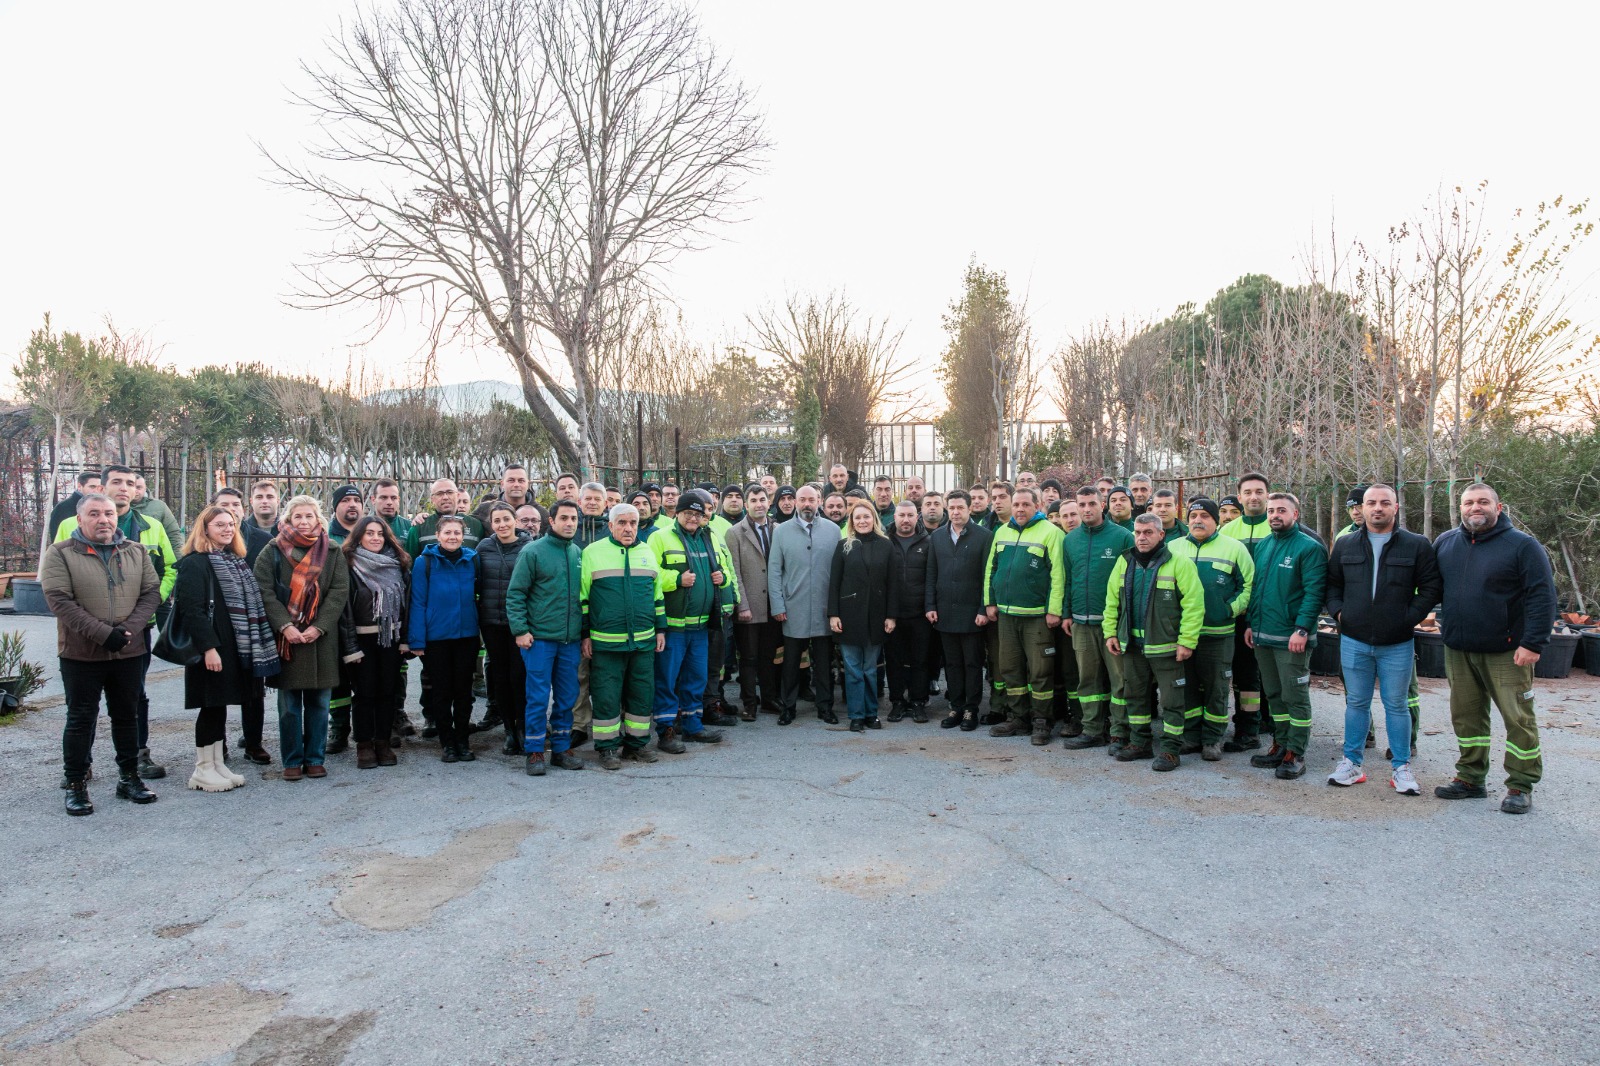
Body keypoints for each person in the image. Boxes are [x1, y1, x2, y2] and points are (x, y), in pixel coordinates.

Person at [1432, 483, 1556, 814]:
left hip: (1508, 651)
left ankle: (1520, 784)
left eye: (1483, 502)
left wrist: (1533, 642)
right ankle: (1470, 778)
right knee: (1466, 718)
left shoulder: (1522, 546)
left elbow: (1542, 596)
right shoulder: (1445, 543)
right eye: (1469, 502)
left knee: (1518, 718)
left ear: (1498, 508)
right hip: (1458, 648)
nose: (1476, 507)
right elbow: (1430, 588)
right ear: (1460, 508)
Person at [55, 464, 177, 780]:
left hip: (133, 636)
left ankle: (135, 764)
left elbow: (165, 574)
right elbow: (59, 592)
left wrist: (135, 622)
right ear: (101, 487)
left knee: (131, 704)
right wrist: (100, 631)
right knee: (82, 712)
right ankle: (79, 774)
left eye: (130, 483)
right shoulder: (66, 535)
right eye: (116, 482)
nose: (124, 488)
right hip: (83, 642)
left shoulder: (147, 530)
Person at [43, 492, 162, 815]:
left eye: (108, 513)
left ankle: (129, 778)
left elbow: (152, 593)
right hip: (81, 654)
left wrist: (128, 630)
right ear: (80, 519)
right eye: (94, 514)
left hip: (128, 651)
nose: (103, 520)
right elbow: (59, 601)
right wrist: (102, 634)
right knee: (81, 719)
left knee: (127, 716)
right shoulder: (60, 553)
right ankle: (76, 785)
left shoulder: (135, 551)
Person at [1324, 484, 1441, 794]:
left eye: (1384, 503)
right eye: (1371, 503)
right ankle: (1351, 764)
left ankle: (1401, 768)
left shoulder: (1416, 545)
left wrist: (1407, 618)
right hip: (1354, 640)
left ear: (1396, 507)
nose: (1377, 508)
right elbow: (1332, 587)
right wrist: (1339, 615)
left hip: (1397, 643)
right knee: (1357, 703)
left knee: (1397, 706)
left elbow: (1431, 588)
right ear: (1362, 508)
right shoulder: (1345, 545)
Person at [175, 504, 281, 792]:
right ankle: (202, 768)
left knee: (219, 706)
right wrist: (209, 648)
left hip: (233, 647)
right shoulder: (194, 563)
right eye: (219, 524)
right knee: (209, 707)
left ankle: (217, 765)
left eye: (231, 524)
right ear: (205, 528)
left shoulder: (235, 561)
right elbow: (192, 611)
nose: (227, 529)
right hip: (211, 648)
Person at [255, 495, 350, 781]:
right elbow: (264, 590)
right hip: (287, 640)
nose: (304, 521)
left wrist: (318, 626)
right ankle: (293, 760)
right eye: (298, 517)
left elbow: (338, 591)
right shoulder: (272, 551)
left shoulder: (332, 551)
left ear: (318, 520)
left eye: (309, 516)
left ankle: (315, 758)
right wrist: (285, 625)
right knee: (289, 707)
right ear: (288, 520)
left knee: (320, 704)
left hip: (320, 639)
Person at [1103, 513, 1204, 770]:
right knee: (1136, 696)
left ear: (1161, 535)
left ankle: (1171, 750)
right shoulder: (1124, 562)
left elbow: (1194, 605)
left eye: (1148, 532)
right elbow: (1112, 601)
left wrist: (1187, 641)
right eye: (1138, 532)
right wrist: (1111, 633)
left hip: (1167, 647)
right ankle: (1140, 743)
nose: (1141, 537)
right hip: (1133, 646)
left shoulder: (1178, 563)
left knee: (1172, 701)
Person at [1244, 492, 1326, 780]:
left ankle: (1296, 751)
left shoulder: (1309, 548)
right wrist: (1252, 623)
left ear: (1295, 514)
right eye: (1270, 511)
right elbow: (1257, 589)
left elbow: (1314, 593)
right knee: (1275, 695)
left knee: (1295, 696)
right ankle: (1280, 744)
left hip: (1293, 638)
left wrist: (1302, 629)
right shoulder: (1264, 545)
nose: (1274, 515)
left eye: (1281, 510)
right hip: (1264, 636)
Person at [581, 503, 667, 770]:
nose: (628, 528)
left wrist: (661, 629)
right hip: (606, 642)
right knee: (606, 695)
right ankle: (607, 749)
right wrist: (585, 635)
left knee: (641, 694)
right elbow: (583, 598)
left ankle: (636, 746)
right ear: (610, 525)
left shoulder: (647, 552)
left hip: (643, 640)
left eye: (633, 523)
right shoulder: (592, 553)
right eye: (622, 523)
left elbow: (657, 594)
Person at [1167, 498, 1253, 761]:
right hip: (1182, 635)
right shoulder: (1172, 547)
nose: (1197, 520)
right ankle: (1192, 736)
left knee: (1216, 687)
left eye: (1205, 515)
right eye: (1193, 515)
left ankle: (1213, 738)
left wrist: (1230, 609)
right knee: (1187, 686)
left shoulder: (1234, 548)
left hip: (1218, 634)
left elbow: (1248, 585)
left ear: (1215, 520)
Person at [650, 490, 735, 751]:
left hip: (701, 626)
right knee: (667, 679)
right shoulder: (660, 537)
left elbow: (726, 570)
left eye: (698, 514)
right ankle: (665, 731)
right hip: (674, 626)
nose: (693, 518)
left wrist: (724, 578)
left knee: (696, 678)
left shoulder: (710, 537)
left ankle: (692, 726)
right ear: (677, 513)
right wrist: (676, 579)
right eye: (688, 513)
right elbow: (650, 574)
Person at [508, 499, 586, 775]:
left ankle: (562, 748)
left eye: (573, 519)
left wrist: (584, 634)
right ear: (550, 521)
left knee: (567, 697)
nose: (569, 523)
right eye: (563, 518)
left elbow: (584, 599)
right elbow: (516, 593)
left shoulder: (577, 553)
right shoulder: (533, 552)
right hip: (539, 640)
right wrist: (520, 630)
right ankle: (535, 751)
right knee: (538, 697)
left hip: (570, 640)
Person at [983, 486, 1066, 744]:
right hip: (1007, 615)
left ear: (1037, 506)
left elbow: (1058, 575)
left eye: (1025, 505)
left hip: (1037, 617)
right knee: (1010, 668)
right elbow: (991, 569)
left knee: (1040, 671)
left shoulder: (1052, 533)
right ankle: (1018, 717)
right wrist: (990, 602)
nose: (1019, 509)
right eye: (1016, 505)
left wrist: (1054, 610)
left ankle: (1041, 721)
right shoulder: (1002, 531)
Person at [1063, 486, 1136, 751]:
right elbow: (1068, 579)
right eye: (1081, 505)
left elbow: (1133, 581)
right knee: (1088, 680)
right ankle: (1092, 729)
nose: (1086, 510)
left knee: (1120, 681)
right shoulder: (1070, 540)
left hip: (1114, 624)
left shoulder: (1123, 537)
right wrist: (1066, 614)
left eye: (1091, 504)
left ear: (1102, 504)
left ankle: (1119, 731)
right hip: (1081, 623)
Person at [408, 515, 480, 763]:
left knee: (463, 691)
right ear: (438, 535)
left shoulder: (472, 560)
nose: (452, 537)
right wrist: (416, 640)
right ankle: (447, 742)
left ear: (463, 536)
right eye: (447, 533)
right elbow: (417, 601)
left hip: (466, 636)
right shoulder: (424, 562)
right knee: (441, 692)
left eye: (457, 533)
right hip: (436, 638)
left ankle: (462, 740)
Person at [769, 484, 842, 726]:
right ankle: (788, 707)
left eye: (811, 499)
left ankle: (825, 707)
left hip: (824, 609)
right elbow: (775, 571)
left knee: (823, 662)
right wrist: (778, 605)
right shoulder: (781, 532)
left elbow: (840, 572)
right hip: (793, 608)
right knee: (790, 662)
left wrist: (837, 608)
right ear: (796, 503)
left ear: (819, 501)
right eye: (802, 500)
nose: (807, 504)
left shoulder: (833, 531)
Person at [341, 517, 410, 768]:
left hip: (391, 639)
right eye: (369, 533)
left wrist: (405, 640)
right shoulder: (348, 564)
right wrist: (350, 648)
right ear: (358, 537)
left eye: (380, 534)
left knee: (387, 693)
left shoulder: (398, 563)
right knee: (364, 694)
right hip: (362, 639)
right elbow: (344, 609)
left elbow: (407, 605)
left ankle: (382, 742)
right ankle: (364, 745)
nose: (375, 538)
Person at [829, 500, 899, 731]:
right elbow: (834, 583)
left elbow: (893, 585)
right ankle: (856, 715)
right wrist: (833, 614)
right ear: (851, 521)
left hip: (877, 616)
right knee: (852, 668)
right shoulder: (844, 546)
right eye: (857, 517)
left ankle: (871, 713)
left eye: (866, 517)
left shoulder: (886, 546)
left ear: (874, 519)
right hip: (849, 616)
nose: (862, 521)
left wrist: (891, 615)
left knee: (870, 668)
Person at [927, 489, 993, 731]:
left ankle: (970, 710)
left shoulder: (984, 536)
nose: (955, 512)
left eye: (960, 508)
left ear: (969, 508)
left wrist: (983, 609)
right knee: (952, 664)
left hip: (973, 614)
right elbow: (931, 574)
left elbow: (988, 576)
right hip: (944, 611)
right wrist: (930, 605)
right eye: (951, 508)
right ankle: (955, 707)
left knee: (972, 663)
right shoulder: (937, 537)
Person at [1219, 472, 1274, 751]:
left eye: (1259, 491)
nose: (1254, 496)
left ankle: (1274, 724)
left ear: (1268, 494)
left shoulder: (1279, 527)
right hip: (1240, 617)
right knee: (1245, 674)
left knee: (1273, 673)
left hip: (1272, 615)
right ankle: (1247, 729)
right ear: (1239, 497)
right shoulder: (1227, 532)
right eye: (1248, 492)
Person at [475, 503, 531, 757]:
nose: (502, 525)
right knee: (500, 678)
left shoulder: (528, 547)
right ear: (491, 523)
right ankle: (509, 730)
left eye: (506, 519)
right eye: (497, 521)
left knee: (519, 677)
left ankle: (523, 728)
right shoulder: (484, 547)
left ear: (516, 521)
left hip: (519, 624)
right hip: (491, 623)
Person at [727, 484, 783, 721]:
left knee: (770, 656)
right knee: (748, 659)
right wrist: (743, 606)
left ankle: (770, 699)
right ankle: (749, 703)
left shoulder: (779, 529)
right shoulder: (735, 532)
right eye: (753, 500)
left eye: (762, 499)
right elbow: (735, 572)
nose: (759, 504)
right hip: (749, 606)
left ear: (768, 502)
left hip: (774, 605)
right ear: (746, 504)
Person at [885, 501, 932, 722]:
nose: (906, 519)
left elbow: (932, 577)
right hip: (892, 614)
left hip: (920, 614)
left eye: (910, 515)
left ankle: (918, 702)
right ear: (894, 517)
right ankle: (897, 701)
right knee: (894, 660)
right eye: (901, 515)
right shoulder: (885, 542)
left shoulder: (928, 542)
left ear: (917, 517)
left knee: (920, 660)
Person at [405, 478, 485, 556]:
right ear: (432, 499)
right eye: (439, 494)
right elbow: (410, 563)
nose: (445, 497)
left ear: (457, 495)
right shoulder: (420, 527)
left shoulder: (475, 525)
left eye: (450, 492)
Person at [46, 470, 102, 543]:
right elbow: (57, 540)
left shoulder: (104, 507)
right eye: (92, 487)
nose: (97, 491)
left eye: (100, 487)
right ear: (79, 486)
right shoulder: (63, 508)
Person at [132, 475, 182, 547]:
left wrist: (179, 557)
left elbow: (173, 534)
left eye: (138, 487)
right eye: (131, 486)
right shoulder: (116, 506)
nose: (135, 490)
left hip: (154, 555)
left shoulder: (159, 507)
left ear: (145, 488)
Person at [372, 478, 413, 543]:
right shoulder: (363, 527)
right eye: (383, 497)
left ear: (398, 500)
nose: (389, 502)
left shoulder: (409, 527)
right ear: (373, 500)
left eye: (394, 498)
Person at [576, 482, 610, 547]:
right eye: (588, 498)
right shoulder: (571, 527)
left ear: (605, 504)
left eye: (597, 499)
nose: (592, 503)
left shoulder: (613, 529)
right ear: (579, 502)